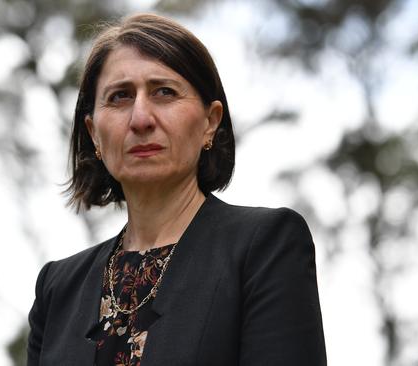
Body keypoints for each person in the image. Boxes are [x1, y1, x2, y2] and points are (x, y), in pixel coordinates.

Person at [27, 13, 326, 366]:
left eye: (164, 92)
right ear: (94, 134)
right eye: (120, 96)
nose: (140, 118)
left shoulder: (263, 247)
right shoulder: (57, 288)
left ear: (209, 123)